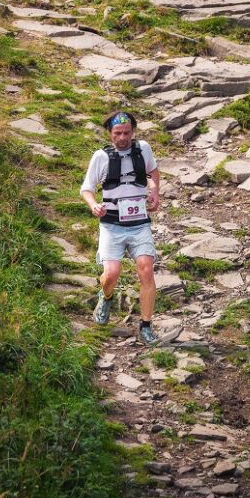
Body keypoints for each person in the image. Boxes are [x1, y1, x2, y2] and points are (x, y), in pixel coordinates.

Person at [81, 110, 163, 345]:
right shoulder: (101, 157)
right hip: (111, 224)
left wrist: (154, 191)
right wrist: (94, 205)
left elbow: (152, 171)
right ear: (110, 133)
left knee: (146, 269)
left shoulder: (143, 149)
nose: (122, 138)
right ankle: (106, 296)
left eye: (127, 133)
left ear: (133, 132)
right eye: (117, 133)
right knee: (112, 274)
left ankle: (146, 326)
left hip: (139, 223)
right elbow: (87, 189)